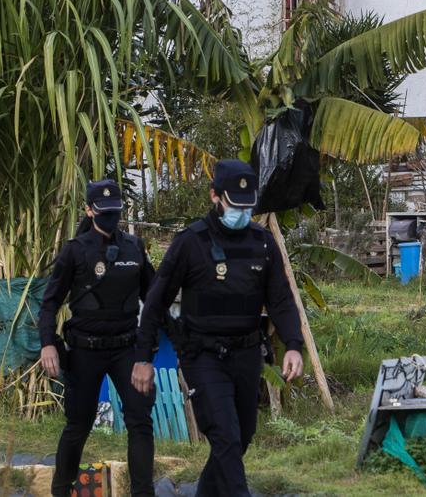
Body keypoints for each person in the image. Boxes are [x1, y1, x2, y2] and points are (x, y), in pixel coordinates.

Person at [132, 159, 304, 497]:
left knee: (241, 438)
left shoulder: (262, 242)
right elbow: (155, 301)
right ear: (215, 196)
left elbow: (281, 299)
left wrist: (294, 344)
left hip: (245, 353)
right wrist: (143, 356)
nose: (241, 212)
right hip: (203, 355)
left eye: (247, 206)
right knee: (224, 436)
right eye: (234, 204)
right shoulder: (190, 243)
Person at [38, 178, 155, 497]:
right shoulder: (75, 251)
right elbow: (49, 303)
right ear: (89, 211)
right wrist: (48, 342)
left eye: (115, 211)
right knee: (78, 424)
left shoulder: (135, 247)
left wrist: (150, 352)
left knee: (140, 421)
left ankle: (144, 493)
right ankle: (61, 490)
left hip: (126, 349)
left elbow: (155, 298)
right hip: (84, 351)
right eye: (103, 211)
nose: (110, 217)